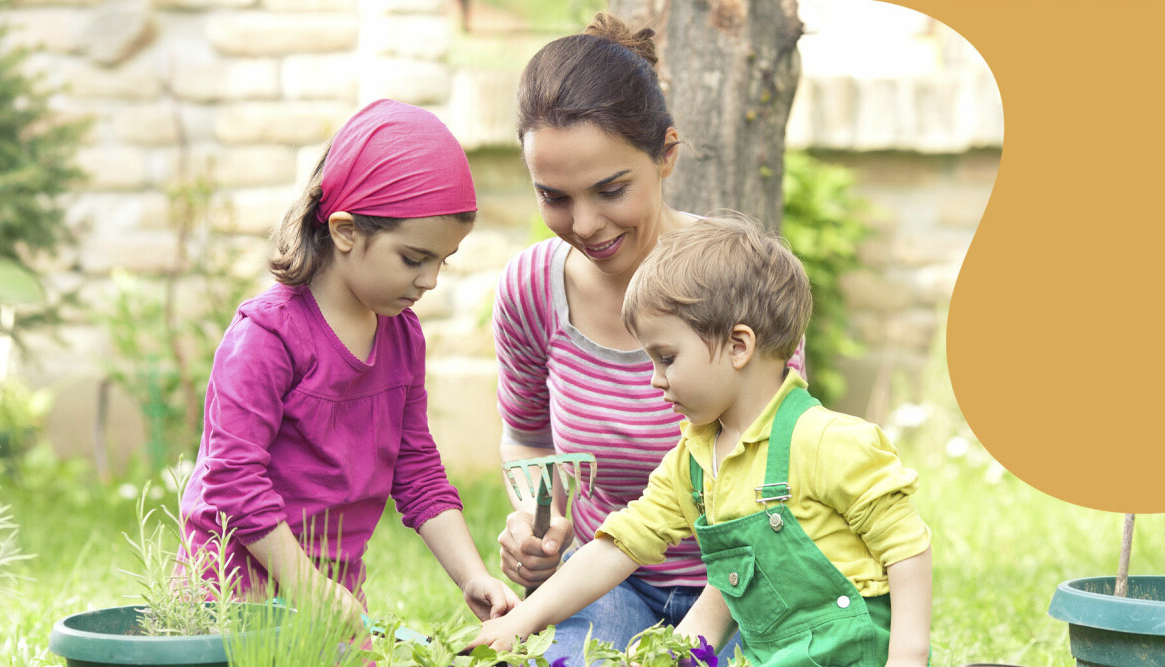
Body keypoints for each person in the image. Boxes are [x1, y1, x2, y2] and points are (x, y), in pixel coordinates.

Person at [477, 215, 933, 665]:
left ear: (739, 345)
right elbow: (623, 548)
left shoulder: (828, 441)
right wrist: (523, 621)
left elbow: (906, 545)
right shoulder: (694, 459)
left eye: (666, 358)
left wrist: (907, 656)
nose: (654, 381)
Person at [492, 12, 805, 664]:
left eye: (610, 190)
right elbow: (529, 435)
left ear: (666, 153)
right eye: (554, 196)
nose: (584, 223)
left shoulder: (739, 279)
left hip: (745, 581)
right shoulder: (531, 289)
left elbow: (783, 481)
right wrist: (539, 522)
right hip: (609, 575)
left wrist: (693, 643)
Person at [179, 99, 519, 630]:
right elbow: (232, 482)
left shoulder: (401, 335)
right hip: (229, 600)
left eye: (441, 261)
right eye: (413, 259)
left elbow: (418, 469)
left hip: (329, 600)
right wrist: (309, 587)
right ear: (345, 231)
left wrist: (472, 576)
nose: (429, 280)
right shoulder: (266, 338)